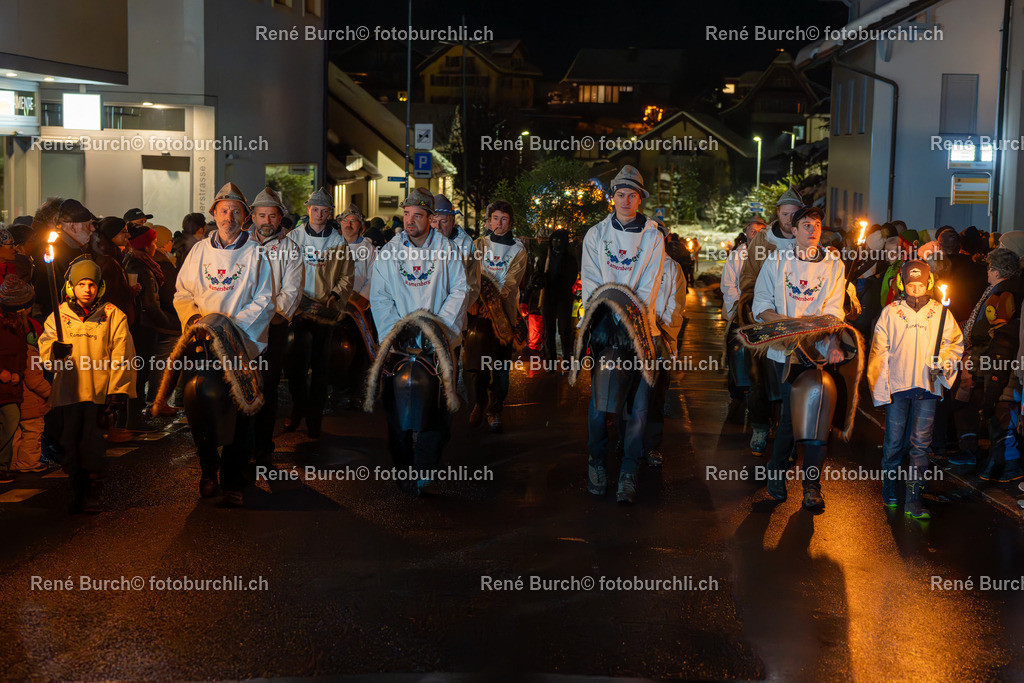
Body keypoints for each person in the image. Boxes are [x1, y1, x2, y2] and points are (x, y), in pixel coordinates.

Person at [172, 182, 275, 506]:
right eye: (223, 210)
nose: (228, 216)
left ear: (244, 217)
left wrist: (232, 328)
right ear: (214, 214)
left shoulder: (256, 253)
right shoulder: (199, 251)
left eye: (235, 211)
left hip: (242, 346)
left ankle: (233, 480)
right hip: (204, 344)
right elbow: (183, 293)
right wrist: (194, 321)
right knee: (199, 404)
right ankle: (207, 469)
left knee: (242, 413)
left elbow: (265, 299)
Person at [369, 187, 468, 494]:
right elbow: (380, 295)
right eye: (407, 214)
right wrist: (396, 329)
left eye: (417, 215)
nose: (409, 220)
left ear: (430, 218)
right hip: (400, 341)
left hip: (436, 341)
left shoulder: (447, 250)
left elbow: (459, 290)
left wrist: (439, 328)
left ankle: (425, 466)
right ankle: (402, 466)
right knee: (396, 406)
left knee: (438, 408)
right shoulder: (389, 252)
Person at [580, 165, 665, 504]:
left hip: (641, 329)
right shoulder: (596, 235)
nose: (626, 200)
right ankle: (596, 462)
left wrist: (630, 318)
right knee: (601, 404)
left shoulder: (653, 237)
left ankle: (629, 470)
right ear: (612, 198)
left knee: (639, 408)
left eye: (633, 195)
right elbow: (591, 280)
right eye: (620, 194)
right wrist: (607, 315)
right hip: (604, 328)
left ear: (640, 199)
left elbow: (650, 285)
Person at [752, 206, 847, 510]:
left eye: (817, 225)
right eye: (806, 225)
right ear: (793, 231)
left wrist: (831, 339)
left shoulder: (833, 264)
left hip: (817, 354)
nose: (812, 230)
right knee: (791, 423)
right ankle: (776, 475)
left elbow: (834, 309)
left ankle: (812, 486)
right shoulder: (777, 261)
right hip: (786, 353)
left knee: (819, 422)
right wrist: (789, 328)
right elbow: (761, 304)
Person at [38, 259, 136, 512]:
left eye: (92, 284)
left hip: (98, 394)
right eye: (81, 284)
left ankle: (93, 492)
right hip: (68, 393)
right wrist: (53, 352)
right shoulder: (59, 316)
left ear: (100, 287)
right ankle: (78, 490)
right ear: (71, 287)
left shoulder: (112, 315)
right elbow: (46, 348)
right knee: (69, 444)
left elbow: (122, 354)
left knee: (92, 445)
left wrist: (118, 390)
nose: (87, 289)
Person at [868, 260, 963, 518]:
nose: (916, 288)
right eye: (910, 284)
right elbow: (879, 351)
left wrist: (942, 364)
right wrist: (882, 387)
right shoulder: (891, 312)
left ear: (929, 283)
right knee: (894, 442)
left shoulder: (941, 313)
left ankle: (913, 497)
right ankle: (890, 490)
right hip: (898, 387)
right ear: (901, 283)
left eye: (920, 284)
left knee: (921, 444)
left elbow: (954, 343)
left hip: (927, 388)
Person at [949, 247, 1024, 481]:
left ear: (999, 270)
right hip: (991, 359)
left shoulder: (1005, 292)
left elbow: (994, 330)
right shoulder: (1000, 288)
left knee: (999, 410)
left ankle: (1004, 466)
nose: (987, 271)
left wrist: (971, 339)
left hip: (995, 360)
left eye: (990, 267)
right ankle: (987, 458)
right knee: (984, 405)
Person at [284, 187, 354, 438]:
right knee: (294, 361)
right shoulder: (294, 238)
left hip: (326, 310)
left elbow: (347, 276)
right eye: (316, 210)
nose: (320, 214)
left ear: (330, 213)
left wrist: (334, 297)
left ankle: (314, 417)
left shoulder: (338, 241)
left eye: (325, 211)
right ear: (308, 210)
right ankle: (298, 405)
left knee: (321, 367)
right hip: (299, 310)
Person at [738, 188, 802, 456]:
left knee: (798, 379)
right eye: (785, 213)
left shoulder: (809, 238)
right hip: (765, 319)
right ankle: (760, 427)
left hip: (798, 321)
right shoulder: (763, 240)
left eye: (794, 214)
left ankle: (796, 431)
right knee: (760, 377)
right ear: (777, 213)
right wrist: (755, 305)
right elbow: (749, 274)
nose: (789, 219)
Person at [249, 187, 303, 466]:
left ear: (280, 217)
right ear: (253, 217)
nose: (266, 221)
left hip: (273, 328)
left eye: (272, 215)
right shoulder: (241, 245)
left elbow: (290, 292)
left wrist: (265, 317)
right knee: (240, 385)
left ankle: (263, 447)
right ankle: (240, 445)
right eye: (261, 215)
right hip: (242, 329)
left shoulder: (290, 250)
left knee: (267, 387)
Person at [469, 200, 527, 433]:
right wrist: (476, 300)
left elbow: (510, 283)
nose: (499, 223)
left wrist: (493, 303)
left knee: (501, 371)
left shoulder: (518, 250)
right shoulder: (479, 244)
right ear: (489, 220)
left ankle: (496, 408)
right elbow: (471, 274)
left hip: (503, 315)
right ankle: (479, 402)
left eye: (504, 219)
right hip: (478, 313)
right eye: (495, 218)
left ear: (510, 222)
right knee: (475, 366)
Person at [123, 222, 179, 428]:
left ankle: (135, 417)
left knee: (141, 371)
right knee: (142, 371)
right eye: (154, 242)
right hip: (144, 327)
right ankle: (136, 419)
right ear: (146, 246)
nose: (156, 246)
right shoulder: (141, 266)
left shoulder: (138, 262)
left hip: (143, 325)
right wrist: (172, 323)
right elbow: (150, 304)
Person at [644, 218, 687, 467]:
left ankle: (651, 446)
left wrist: (664, 334)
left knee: (656, 396)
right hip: (633, 340)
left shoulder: (673, 269)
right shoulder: (633, 266)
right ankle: (625, 438)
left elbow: (676, 307)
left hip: (660, 341)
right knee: (629, 393)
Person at [8, 277, 49, 475]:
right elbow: (34, 379)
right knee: (33, 433)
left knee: (16, 434)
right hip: (31, 404)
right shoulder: (30, 352)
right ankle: (29, 463)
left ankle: (14, 462)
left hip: (15, 400)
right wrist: (51, 392)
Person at [0, 276, 31, 483]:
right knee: (10, 420)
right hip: (3, 383)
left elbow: (22, 354)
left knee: (9, 421)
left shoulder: (21, 325)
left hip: (12, 385)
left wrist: (18, 373)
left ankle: (3, 465)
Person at [540, 228, 577, 364]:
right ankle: (550, 360)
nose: (557, 242)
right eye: (555, 240)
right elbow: (539, 273)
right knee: (548, 329)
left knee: (565, 329)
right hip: (549, 295)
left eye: (560, 240)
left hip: (564, 297)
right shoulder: (546, 257)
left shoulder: (569, 258)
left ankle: (566, 358)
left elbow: (572, 277)